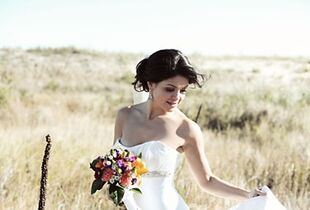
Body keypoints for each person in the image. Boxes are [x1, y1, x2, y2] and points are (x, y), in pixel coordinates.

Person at [112, 49, 266, 210]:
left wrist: (248, 195)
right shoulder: (125, 116)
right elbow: (113, 167)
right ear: (151, 84)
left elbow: (207, 181)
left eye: (183, 90)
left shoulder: (186, 129)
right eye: (170, 89)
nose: (177, 97)